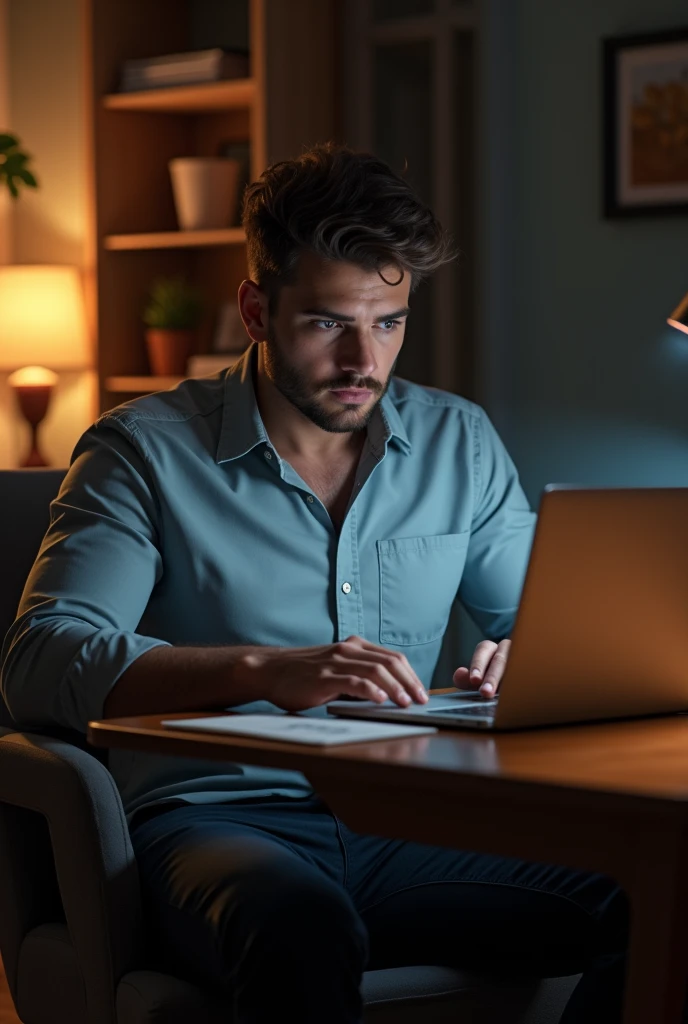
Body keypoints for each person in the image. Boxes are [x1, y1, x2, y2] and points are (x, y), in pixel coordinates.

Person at [1, 143, 627, 1023]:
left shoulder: (461, 442)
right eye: (328, 323)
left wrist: (526, 653)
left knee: (649, 896)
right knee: (300, 926)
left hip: (414, 819)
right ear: (258, 311)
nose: (363, 360)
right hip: (216, 824)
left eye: (389, 322)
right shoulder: (141, 451)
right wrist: (263, 671)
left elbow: (545, 625)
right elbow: (40, 659)